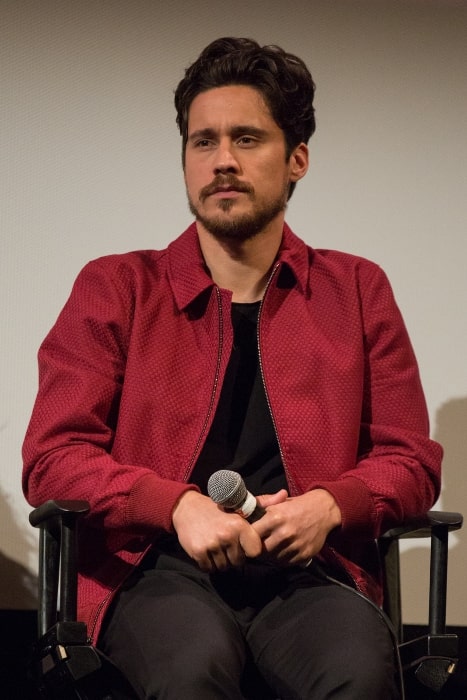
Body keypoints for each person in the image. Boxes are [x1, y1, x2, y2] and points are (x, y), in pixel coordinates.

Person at [23, 37, 442, 699]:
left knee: (356, 677)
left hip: (309, 571)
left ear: (296, 158)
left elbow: (410, 461)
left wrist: (329, 506)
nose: (221, 161)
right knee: (191, 669)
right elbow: (54, 456)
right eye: (202, 141)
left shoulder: (357, 289)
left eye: (246, 139)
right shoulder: (117, 286)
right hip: (155, 565)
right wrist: (176, 505)